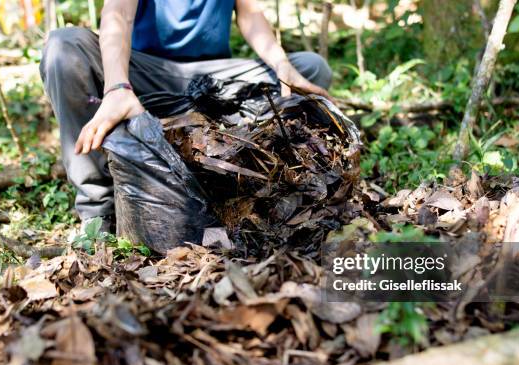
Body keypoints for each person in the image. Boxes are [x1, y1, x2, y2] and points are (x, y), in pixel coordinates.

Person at [40, 0, 333, 232]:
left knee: (310, 68)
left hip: (211, 83)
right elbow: (118, 12)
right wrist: (117, 85)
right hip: (144, 78)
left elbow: (251, 14)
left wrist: (281, 64)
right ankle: (98, 212)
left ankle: (261, 175)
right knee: (64, 46)